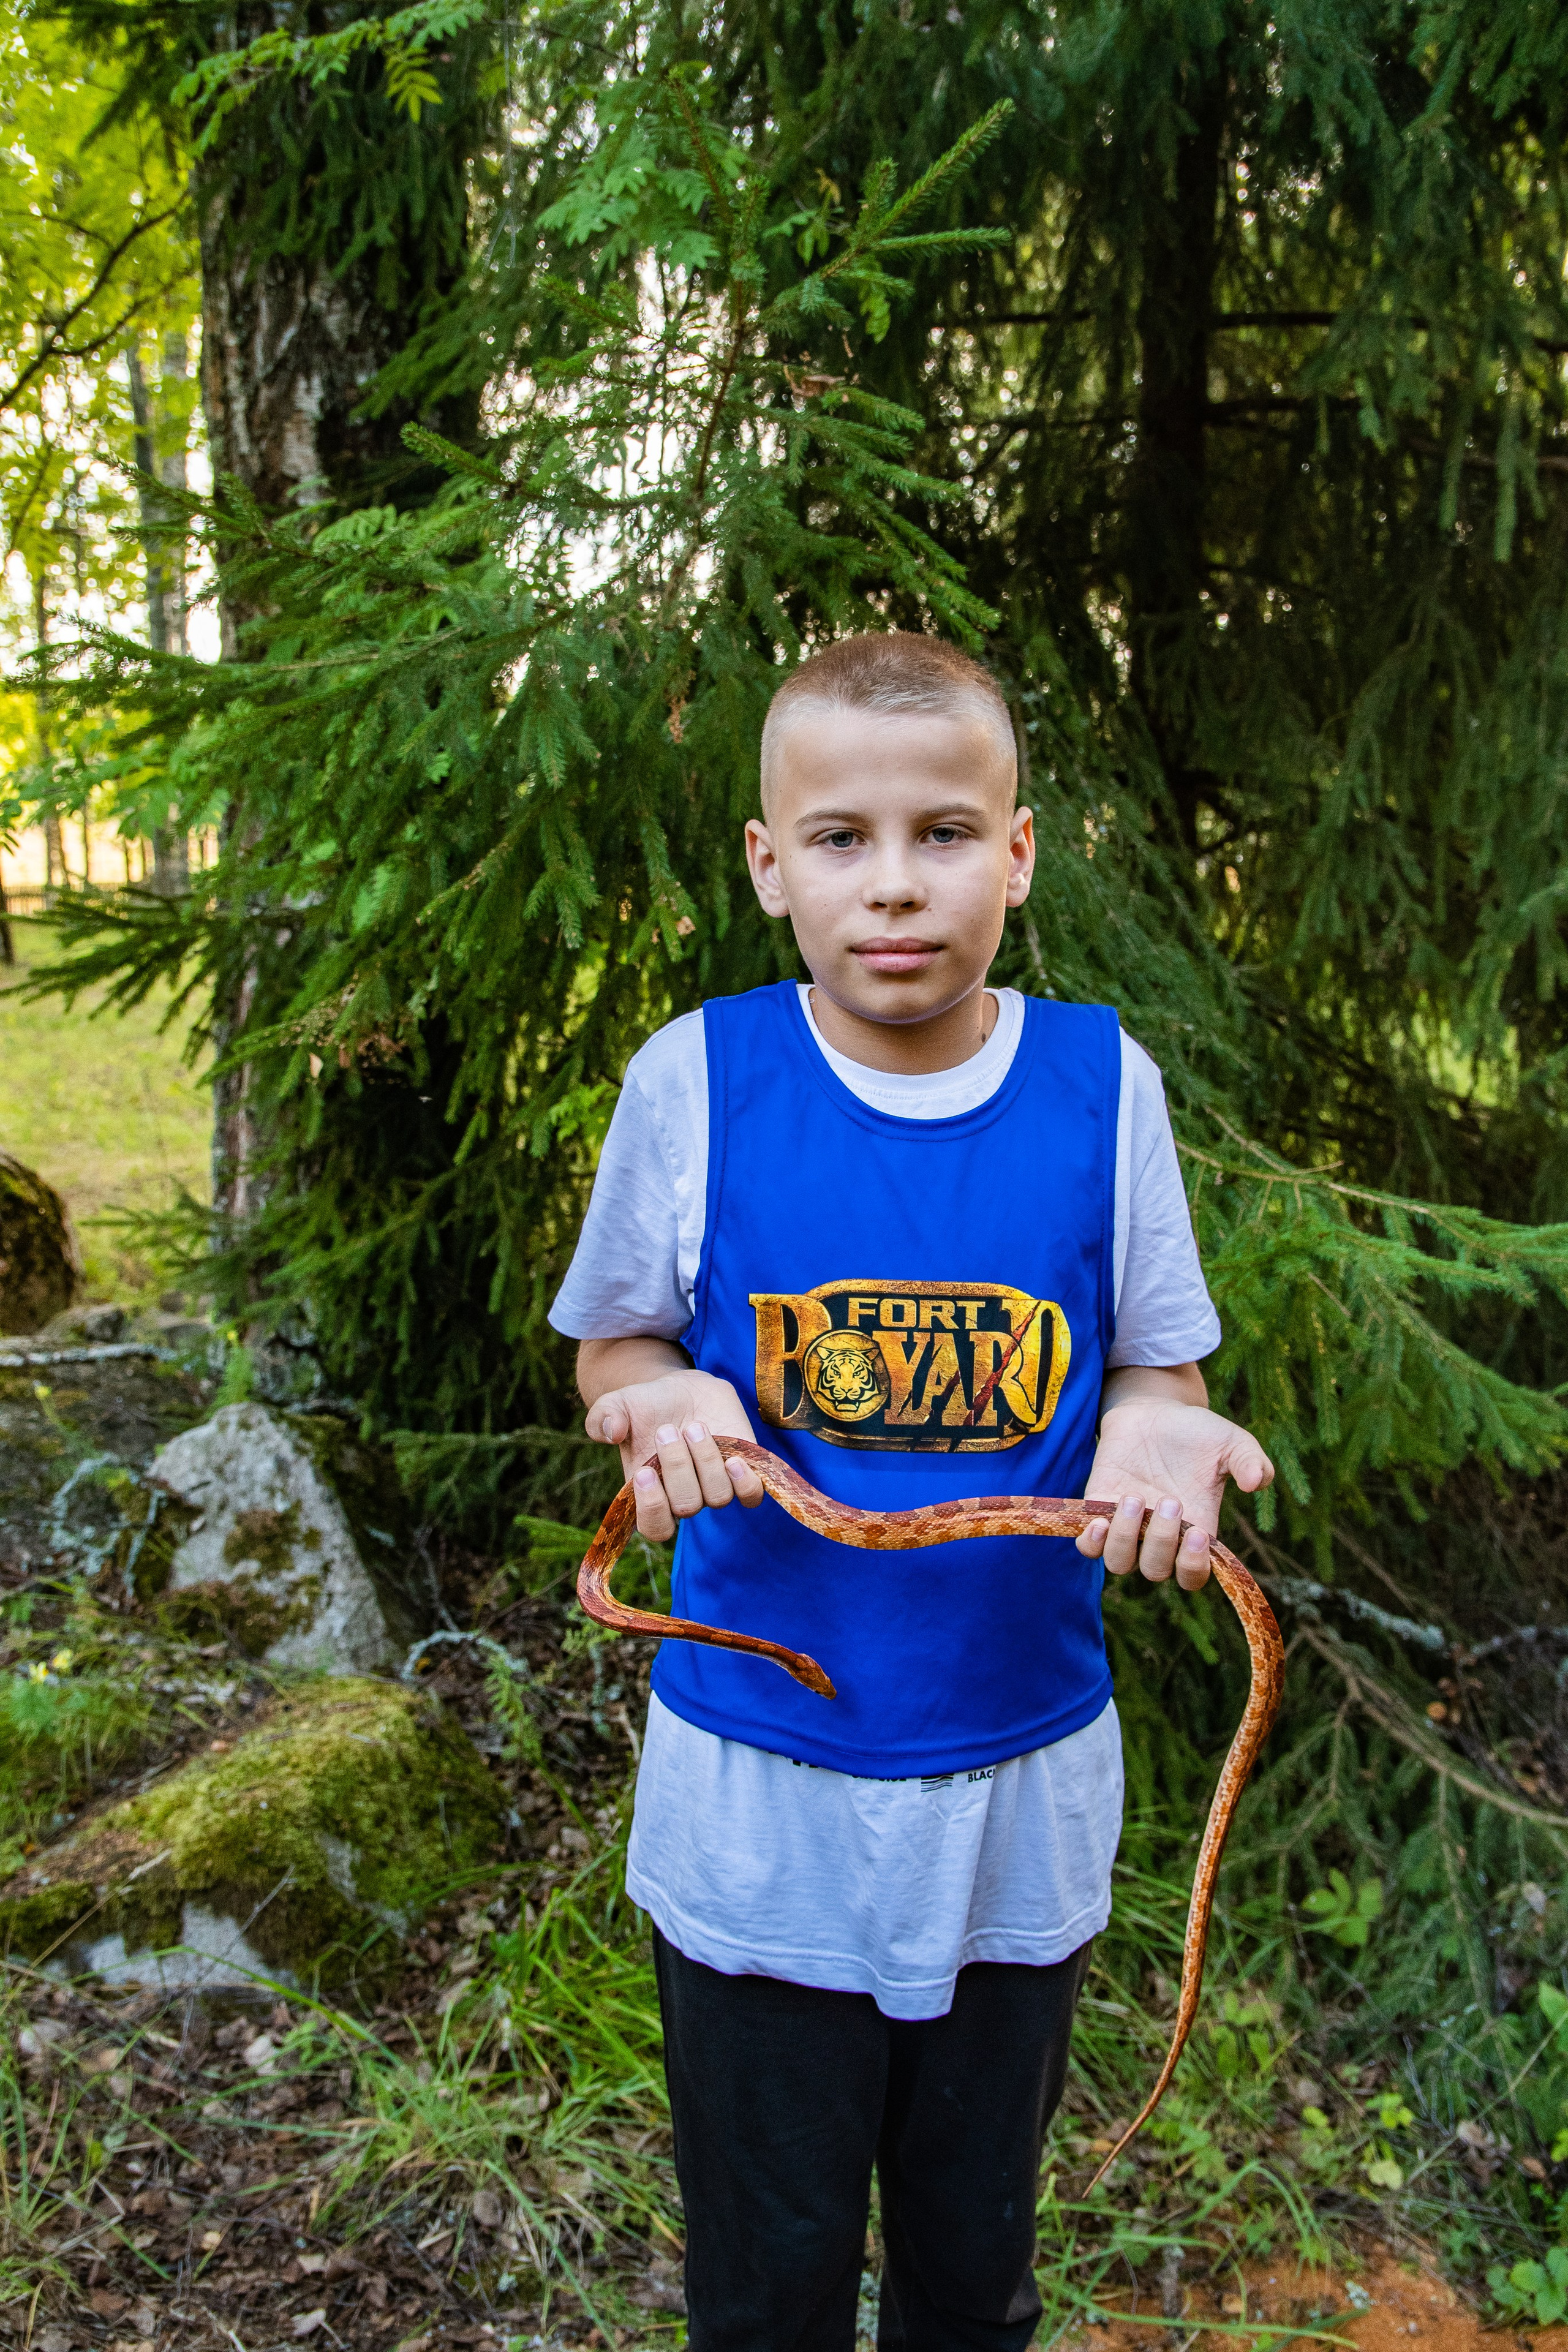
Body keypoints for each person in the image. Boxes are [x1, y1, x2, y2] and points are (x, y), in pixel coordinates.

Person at [549, 632, 1275, 2352]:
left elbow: (1153, 1371)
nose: (895, 886)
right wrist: (658, 1402)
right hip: (759, 1801)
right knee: (769, 2281)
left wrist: (1164, 1429)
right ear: (767, 865)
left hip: (1020, 1781)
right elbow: (613, 1357)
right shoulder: (699, 1081)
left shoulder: (1105, 1090)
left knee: (973, 2279)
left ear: (1020, 856)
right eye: (841, 839)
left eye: (946, 833)